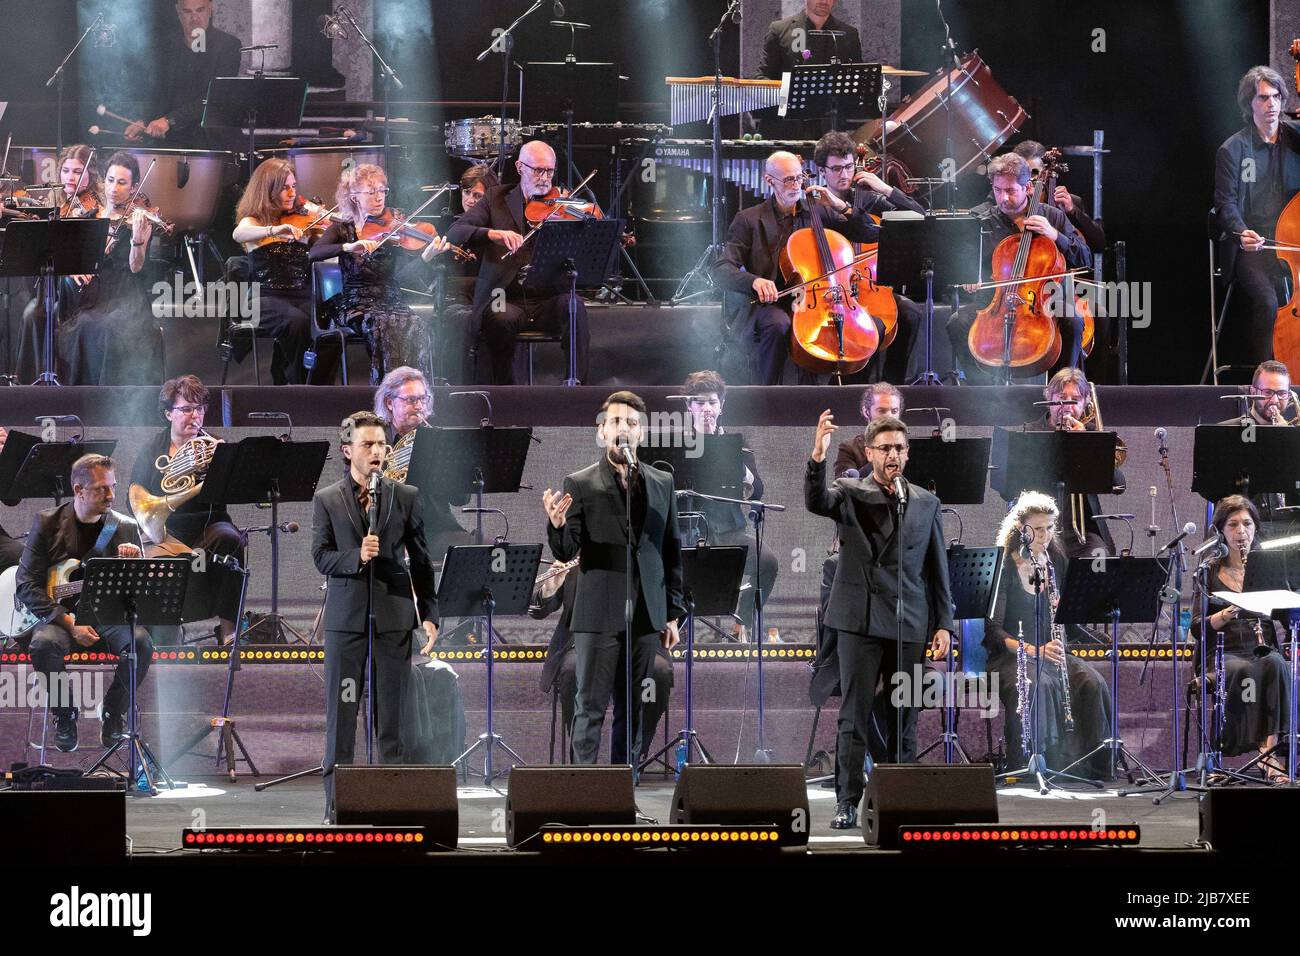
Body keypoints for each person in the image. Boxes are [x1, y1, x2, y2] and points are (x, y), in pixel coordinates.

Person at [805, 411, 953, 828]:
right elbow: (817, 501)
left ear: (907, 455)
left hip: (909, 621)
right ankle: (847, 801)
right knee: (854, 713)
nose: (893, 455)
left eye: (900, 449)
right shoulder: (851, 491)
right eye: (885, 448)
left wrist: (944, 624)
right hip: (859, 619)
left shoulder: (925, 502)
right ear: (869, 453)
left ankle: (896, 795)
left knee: (904, 713)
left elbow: (936, 569)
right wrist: (818, 458)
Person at [542, 391, 684, 766]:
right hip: (597, 610)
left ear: (642, 432)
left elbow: (670, 550)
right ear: (601, 431)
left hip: (644, 613)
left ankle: (624, 790)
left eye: (632, 424)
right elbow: (566, 550)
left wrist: (672, 613)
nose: (624, 429)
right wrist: (556, 526)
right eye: (617, 422)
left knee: (633, 707)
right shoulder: (580, 483)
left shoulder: (660, 482)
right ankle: (585, 795)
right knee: (590, 706)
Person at [312, 411, 439, 820]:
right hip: (346, 620)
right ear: (348, 450)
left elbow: (421, 562)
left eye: (382, 445)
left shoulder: (405, 496)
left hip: (393, 617)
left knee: (391, 718)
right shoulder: (328, 499)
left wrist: (430, 614)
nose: (377, 453)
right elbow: (320, 556)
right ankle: (338, 807)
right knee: (343, 715)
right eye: (368, 445)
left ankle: (392, 806)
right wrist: (355, 557)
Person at [15, 454, 151, 754]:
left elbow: (137, 595)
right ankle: (65, 715)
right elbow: (26, 584)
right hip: (62, 618)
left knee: (141, 643)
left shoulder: (125, 527)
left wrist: (136, 567)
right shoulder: (48, 523)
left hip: (108, 616)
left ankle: (114, 712)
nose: (112, 495)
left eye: (113, 487)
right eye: (102, 489)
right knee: (42, 645)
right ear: (78, 490)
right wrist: (68, 622)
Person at [712, 150, 881, 385]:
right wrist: (754, 281)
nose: (797, 185)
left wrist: (839, 205)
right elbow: (721, 269)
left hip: (816, 301)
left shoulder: (818, 212)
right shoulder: (749, 219)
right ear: (769, 180)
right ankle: (767, 395)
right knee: (778, 324)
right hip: (768, 303)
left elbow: (870, 232)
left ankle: (829, 397)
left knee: (864, 327)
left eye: (800, 178)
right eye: (789, 179)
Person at [983, 491, 1113, 780]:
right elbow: (993, 631)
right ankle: (1033, 763)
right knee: (1036, 685)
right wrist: (1033, 650)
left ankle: (1087, 765)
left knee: (1093, 682)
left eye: (1050, 528)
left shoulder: (1055, 559)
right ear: (1021, 528)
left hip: (1052, 651)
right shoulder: (1004, 564)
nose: (1045, 535)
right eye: (1038, 529)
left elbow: (1065, 622)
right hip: (1012, 655)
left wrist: (1070, 615)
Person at [446, 140, 590, 385]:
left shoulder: (561, 206)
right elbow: (456, 231)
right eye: (538, 170)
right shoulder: (496, 198)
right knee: (501, 319)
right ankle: (507, 393)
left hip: (548, 297)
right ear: (520, 167)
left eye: (550, 171)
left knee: (574, 306)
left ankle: (576, 386)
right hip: (505, 296)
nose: (545, 178)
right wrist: (494, 234)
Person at [946, 153, 1092, 382]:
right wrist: (969, 276)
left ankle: (1060, 392)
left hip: (1045, 302)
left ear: (1028, 187)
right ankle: (981, 391)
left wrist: (1054, 234)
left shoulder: (1051, 216)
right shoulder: (981, 219)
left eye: (1011, 191)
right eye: (997, 190)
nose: (1003, 198)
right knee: (957, 322)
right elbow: (963, 260)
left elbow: (1085, 259)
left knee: (1073, 320)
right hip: (995, 301)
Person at [309, 163, 451, 383]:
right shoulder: (342, 227)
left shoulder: (395, 227)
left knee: (416, 325)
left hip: (390, 298)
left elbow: (402, 278)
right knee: (382, 323)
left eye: (382, 190)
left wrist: (427, 257)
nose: (379, 197)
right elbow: (314, 253)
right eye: (371, 191)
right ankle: (387, 392)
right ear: (354, 196)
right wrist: (347, 247)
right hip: (355, 301)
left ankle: (413, 393)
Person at [128, 375, 245, 640]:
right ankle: (163, 634)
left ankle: (229, 630)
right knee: (156, 562)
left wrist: (224, 466)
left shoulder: (214, 445)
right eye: (187, 409)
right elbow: (135, 498)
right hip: (169, 530)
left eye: (200, 409)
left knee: (231, 539)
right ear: (169, 414)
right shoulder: (152, 450)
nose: (195, 416)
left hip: (210, 523)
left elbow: (229, 494)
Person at [811, 131, 927, 383]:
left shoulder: (868, 198)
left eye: (849, 166)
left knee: (910, 314)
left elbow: (917, 216)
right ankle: (853, 387)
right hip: (831, 289)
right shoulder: (816, 206)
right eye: (837, 168)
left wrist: (886, 188)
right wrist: (840, 207)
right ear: (822, 171)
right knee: (870, 323)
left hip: (869, 284)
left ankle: (893, 385)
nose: (845, 174)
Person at [1191, 496, 1292, 783]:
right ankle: (1227, 756)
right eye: (1233, 524)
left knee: (1275, 664)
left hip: (1259, 647)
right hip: (1222, 651)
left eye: (1247, 524)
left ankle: (1269, 756)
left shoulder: (1269, 568)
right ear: (1221, 531)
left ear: (1255, 528)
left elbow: (1287, 618)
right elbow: (1198, 628)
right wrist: (1226, 613)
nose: (1241, 531)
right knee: (1241, 670)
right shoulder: (1208, 570)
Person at [531, 560, 672, 764]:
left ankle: (634, 756)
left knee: (659, 671)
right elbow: (538, 611)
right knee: (572, 670)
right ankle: (582, 763)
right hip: (581, 640)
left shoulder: (639, 551)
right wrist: (551, 587)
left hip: (635, 638)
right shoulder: (577, 551)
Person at [679, 370, 779, 642]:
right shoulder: (678, 444)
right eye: (699, 403)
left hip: (729, 532)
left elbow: (757, 489)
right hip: (688, 535)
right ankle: (677, 629)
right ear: (689, 407)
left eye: (712, 402)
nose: (707, 408)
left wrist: (741, 471)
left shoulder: (738, 445)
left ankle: (739, 626)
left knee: (767, 562)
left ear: (721, 406)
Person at [1214, 66, 1300, 366]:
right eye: (1263, 98)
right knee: (1266, 301)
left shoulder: (1296, 138)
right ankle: (1265, 384)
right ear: (1249, 103)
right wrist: (1241, 232)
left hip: (1294, 243)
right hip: (1256, 246)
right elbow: (1225, 204)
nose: (1272, 105)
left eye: (1276, 96)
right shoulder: (1233, 149)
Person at [57, 152, 164, 386]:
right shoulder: (90, 215)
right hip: (94, 296)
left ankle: (106, 398)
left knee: (107, 328)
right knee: (83, 324)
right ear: (103, 180)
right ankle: (80, 397)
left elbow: (136, 267)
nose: (114, 188)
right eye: (111, 180)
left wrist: (137, 240)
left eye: (122, 182)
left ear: (134, 187)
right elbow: (72, 258)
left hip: (126, 295)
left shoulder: (139, 220)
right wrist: (74, 268)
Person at [232, 158, 324, 384]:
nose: (292, 193)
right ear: (267, 190)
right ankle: (298, 386)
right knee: (297, 323)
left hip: (302, 294)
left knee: (324, 325)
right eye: (284, 188)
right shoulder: (253, 221)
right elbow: (238, 234)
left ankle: (312, 384)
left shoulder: (304, 217)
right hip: (265, 298)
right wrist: (274, 229)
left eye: (293, 186)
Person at [371, 366, 471, 573]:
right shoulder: (373, 441)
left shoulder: (438, 441)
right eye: (410, 400)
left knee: (479, 550)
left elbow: (459, 499)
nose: (418, 406)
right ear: (390, 403)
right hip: (389, 533)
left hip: (437, 530)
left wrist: (460, 465)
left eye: (422, 399)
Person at [125, 0, 243, 147]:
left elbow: (214, 98)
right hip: (171, 140)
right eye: (188, 12)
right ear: (178, 12)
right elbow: (158, 93)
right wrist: (144, 122)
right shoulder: (166, 46)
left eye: (200, 10)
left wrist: (169, 120)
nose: (194, 18)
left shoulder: (228, 45)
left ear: (210, 10)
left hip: (211, 141)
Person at [756, 1, 862, 139]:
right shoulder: (779, 29)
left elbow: (857, 79)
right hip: (785, 127)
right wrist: (790, 92)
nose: (824, 1)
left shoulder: (848, 34)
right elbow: (762, 78)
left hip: (828, 129)